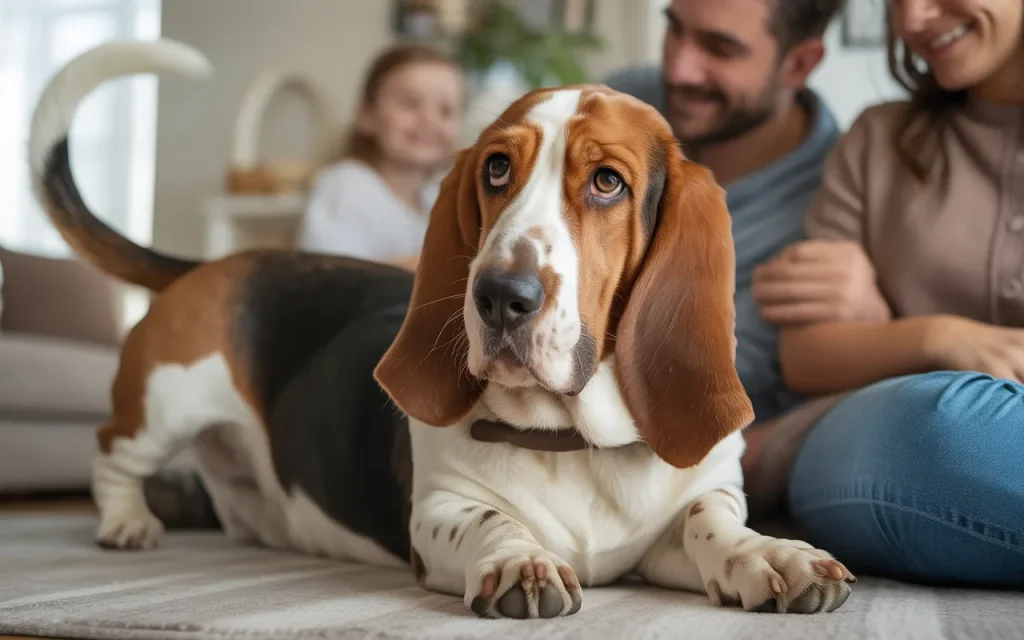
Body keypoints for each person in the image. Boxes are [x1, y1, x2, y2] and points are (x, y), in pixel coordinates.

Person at [749, 0, 1024, 588]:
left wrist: (881, 323)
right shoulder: (881, 139)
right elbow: (806, 355)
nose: (911, 20)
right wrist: (938, 338)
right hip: (897, 434)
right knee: (951, 434)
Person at [605, 0, 854, 445]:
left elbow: (700, 387)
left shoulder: (830, 210)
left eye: (719, 49)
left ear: (799, 64)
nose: (680, 69)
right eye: (675, 30)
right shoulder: (624, 104)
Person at [296, 43, 464, 271]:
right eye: (410, 103)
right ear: (366, 114)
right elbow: (331, 275)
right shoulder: (346, 187)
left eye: (446, 111)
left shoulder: (435, 198)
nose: (430, 120)